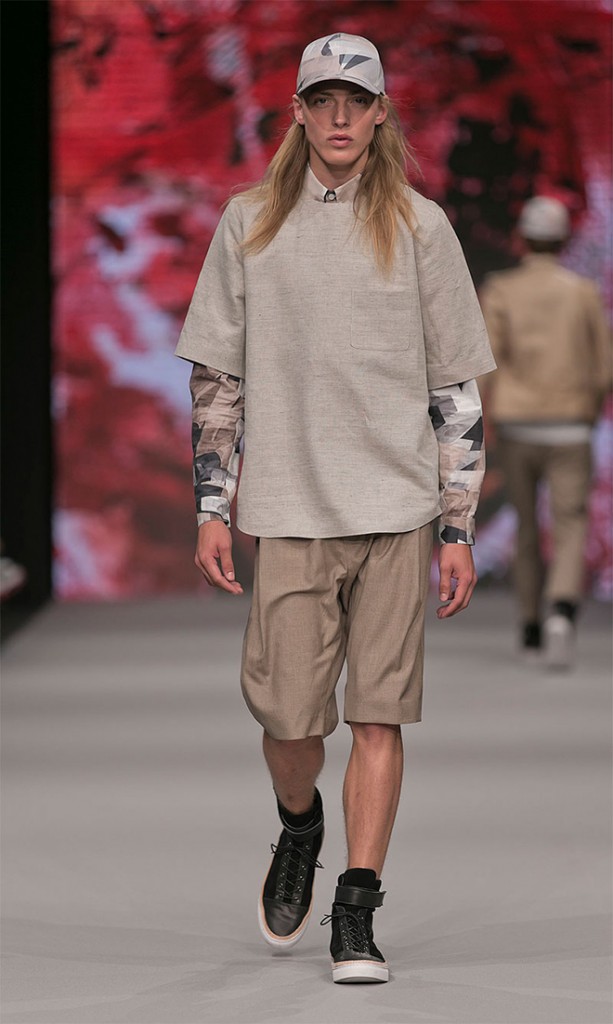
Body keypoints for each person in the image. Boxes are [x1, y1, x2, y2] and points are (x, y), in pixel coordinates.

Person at [176, 33, 495, 984]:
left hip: (396, 506)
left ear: (381, 111)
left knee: (378, 716)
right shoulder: (248, 223)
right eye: (323, 100)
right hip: (288, 504)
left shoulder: (420, 227)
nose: (340, 116)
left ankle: (355, 912)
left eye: (356, 100)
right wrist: (211, 503)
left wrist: (455, 524)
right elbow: (217, 377)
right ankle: (299, 823)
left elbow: (455, 392)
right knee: (288, 721)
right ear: (300, 112)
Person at [480, 197, 611, 669]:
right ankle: (561, 612)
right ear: (563, 239)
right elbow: (603, 365)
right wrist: (588, 408)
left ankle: (531, 622)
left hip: (518, 423)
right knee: (570, 521)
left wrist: (480, 420)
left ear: (522, 238)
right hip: (570, 424)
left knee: (526, 524)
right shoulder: (582, 292)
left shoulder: (502, 291)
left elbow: (486, 363)